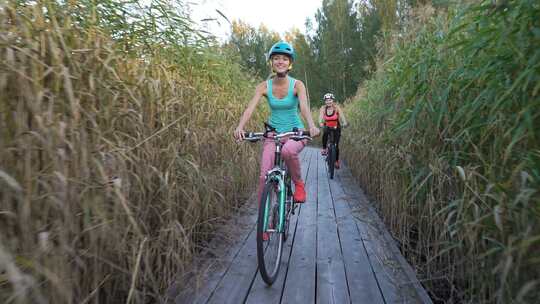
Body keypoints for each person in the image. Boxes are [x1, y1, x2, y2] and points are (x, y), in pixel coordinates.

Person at [233, 41, 320, 204]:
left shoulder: (297, 85)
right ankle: (264, 225)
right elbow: (249, 109)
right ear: (271, 63)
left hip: (295, 132)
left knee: (288, 151)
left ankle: (298, 183)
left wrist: (311, 126)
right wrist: (240, 127)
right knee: (264, 175)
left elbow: (304, 107)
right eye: (276, 58)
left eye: (285, 59)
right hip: (273, 133)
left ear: (290, 64)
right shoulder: (263, 86)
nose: (280, 62)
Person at [319, 92, 347, 169]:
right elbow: (320, 118)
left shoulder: (336, 108)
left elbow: (342, 116)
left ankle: (336, 161)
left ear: (333, 100)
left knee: (336, 145)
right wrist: (320, 123)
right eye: (327, 100)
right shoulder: (323, 108)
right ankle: (324, 149)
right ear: (325, 101)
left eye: (330, 100)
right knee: (325, 134)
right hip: (327, 126)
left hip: (336, 127)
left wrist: (344, 122)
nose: (328, 102)